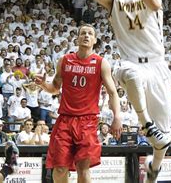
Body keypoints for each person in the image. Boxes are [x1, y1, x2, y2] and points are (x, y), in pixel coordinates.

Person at [79, 0, 171, 183]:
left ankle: (154, 169)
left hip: (157, 67)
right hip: (131, 64)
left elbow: (155, 5)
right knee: (130, 73)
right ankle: (145, 123)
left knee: (165, 141)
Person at [35, 24, 122, 183]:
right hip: (65, 120)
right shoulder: (65, 60)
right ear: (77, 38)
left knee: (83, 168)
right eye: (83, 33)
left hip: (87, 121)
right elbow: (55, 88)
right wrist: (42, 84)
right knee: (60, 167)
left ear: (95, 40)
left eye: (90, 34)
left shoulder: (101, 63)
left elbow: (112, 92)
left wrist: (117, 117)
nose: (86, 36)